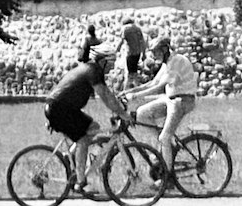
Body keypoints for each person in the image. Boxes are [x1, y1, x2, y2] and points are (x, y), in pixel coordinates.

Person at [45, 49, 124, 194]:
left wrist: (118, 103)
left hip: (59, 107)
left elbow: (107, 93)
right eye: (111, 63)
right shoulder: (94, 72)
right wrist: (122, 114)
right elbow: (105, 96)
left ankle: (70, 156)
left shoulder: (90, 69)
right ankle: (81, 182)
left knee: (93, 127)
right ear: (102, 61)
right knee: (82, 140)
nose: (112, 67)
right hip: (60, 109)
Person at [126, 34, 198, 172]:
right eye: (153, 52)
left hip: (182, 101)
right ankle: (164, 148)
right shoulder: (167, 63)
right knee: (142, 113)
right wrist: (127, 92)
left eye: (156, 51)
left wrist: (135, 96)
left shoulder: (176, 61)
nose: (154, 55)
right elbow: (153, 82)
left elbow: (159, 87)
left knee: (164, 138)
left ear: (165, 50)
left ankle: (168, 176)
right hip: (171, 100)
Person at [116, 19, 146, 89]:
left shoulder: (125, 28)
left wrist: (116, 49)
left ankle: (125, 90)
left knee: (129, 74)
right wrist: (144, 54)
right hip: (137, 53)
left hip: (130, 53)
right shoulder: (138, 29)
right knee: (134, 72)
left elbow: (121, 40)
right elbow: (142, 42)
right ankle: (137, 88)